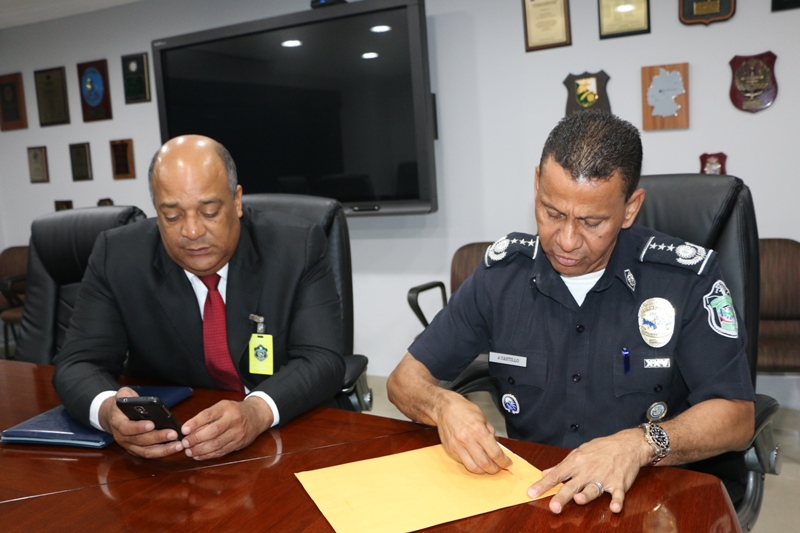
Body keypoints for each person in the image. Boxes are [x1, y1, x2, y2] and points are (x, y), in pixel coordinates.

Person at [387, 111, 755, 514]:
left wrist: (639, 444)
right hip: (535, 493)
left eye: (591, 222)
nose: (566, 240)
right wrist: (443, 406)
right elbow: (404, 381)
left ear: (630, 208)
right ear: (536, 185)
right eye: (552, 213)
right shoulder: (501, 276)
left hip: (650, 496)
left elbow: (737, 418)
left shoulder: (684, 278)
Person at [53, 135, 345, 461]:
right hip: (176, 444)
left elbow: (322, 358)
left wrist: (257, 411)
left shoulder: (296, 246)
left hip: (286, 436)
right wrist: (109, 411)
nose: (192, 232)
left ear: (236, 201)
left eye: (209, 211)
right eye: (172, 216)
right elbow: (78, 363)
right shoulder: (118, 256)